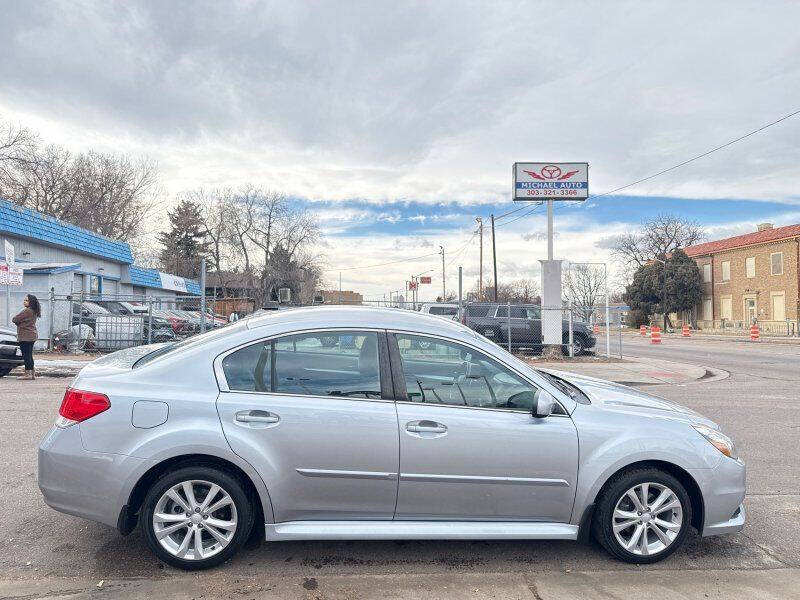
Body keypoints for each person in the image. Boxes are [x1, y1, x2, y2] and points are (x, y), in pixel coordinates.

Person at [12, 294, 40, 380]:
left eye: (26, 300)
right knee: (29, 355)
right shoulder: (33, 311)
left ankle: (28, 374)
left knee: (26, 355)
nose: (24, 301)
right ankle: (32, 373)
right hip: (31, 335)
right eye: (24, 300)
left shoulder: (27, 311)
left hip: (26, 336)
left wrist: (19, 323)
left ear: (30, 302)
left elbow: (15, 319)